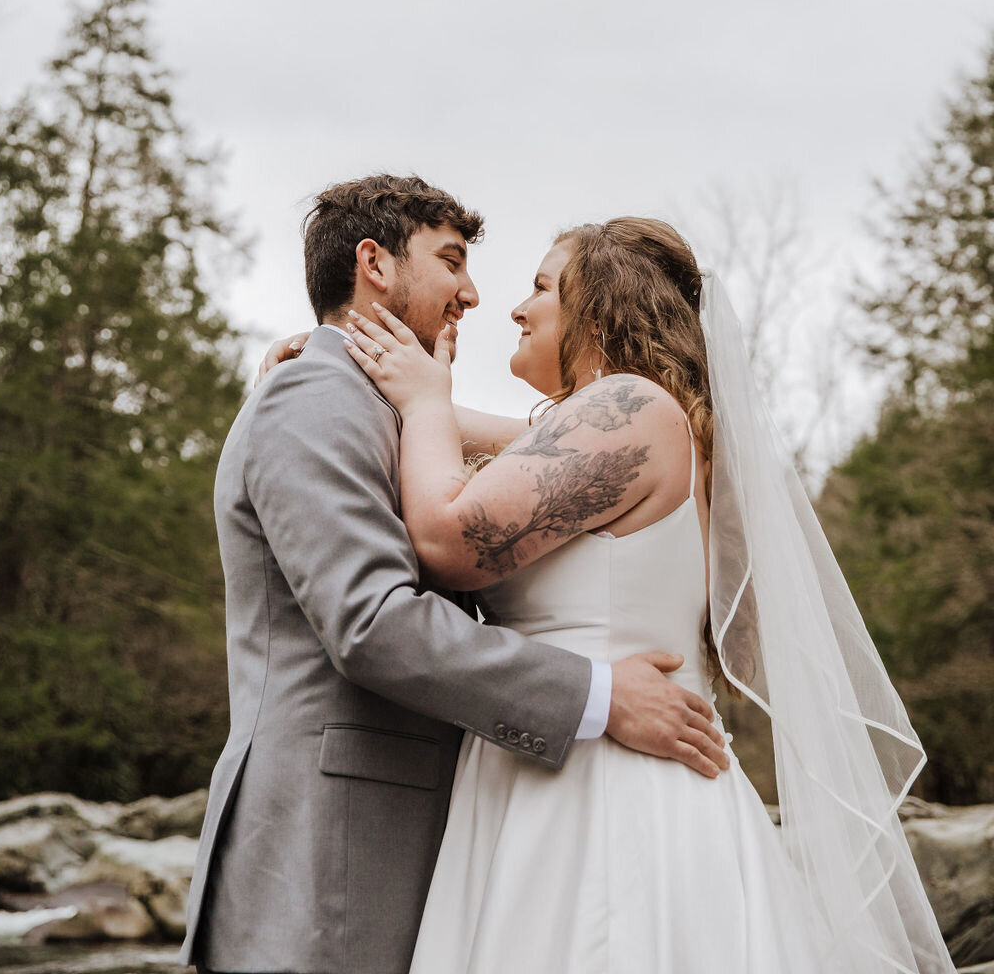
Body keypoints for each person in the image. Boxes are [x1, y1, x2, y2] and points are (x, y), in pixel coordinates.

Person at [294, 214, 953, 974]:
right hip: (553, 769)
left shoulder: (633, 411)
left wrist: (426, 402)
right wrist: (341, 370)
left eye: (541, 287)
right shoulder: (628, 421)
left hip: (605, 796)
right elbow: (491, 437)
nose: (515, 307)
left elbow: (447, 538)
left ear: (601, 311)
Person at [181, 179, 728, 974]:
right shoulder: (314, 398)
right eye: (450, 262)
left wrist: (415, 395)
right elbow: (373, 622)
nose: (476, 295)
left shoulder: (605, 421)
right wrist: (599, 695)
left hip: (527, 816)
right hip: (330, 845)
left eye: (536, 286)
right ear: (373, 263)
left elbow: (527, 464)